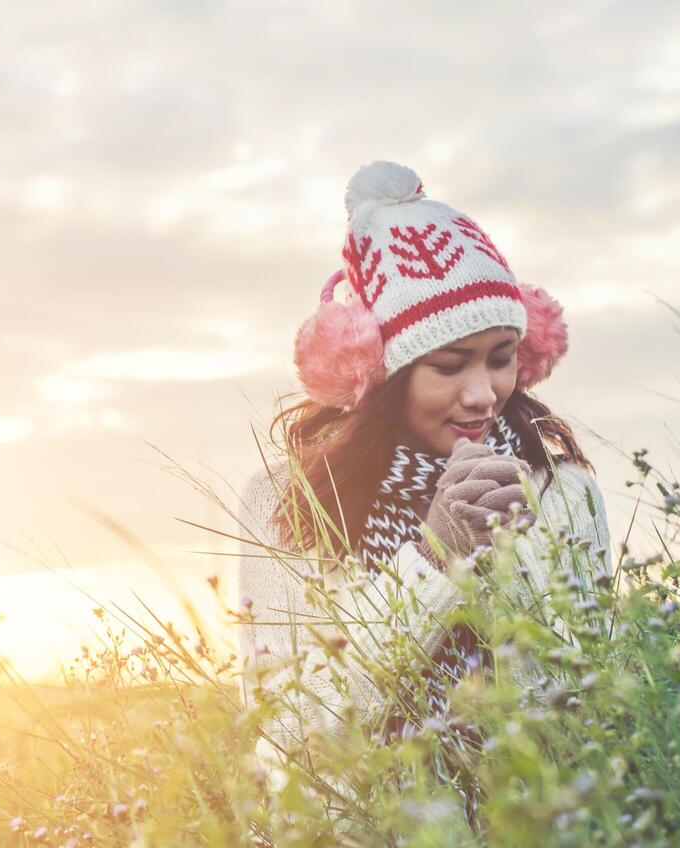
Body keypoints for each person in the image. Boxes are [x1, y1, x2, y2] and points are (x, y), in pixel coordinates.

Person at [235, 161, 615, 800]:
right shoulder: (285, 501)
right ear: (379, 375)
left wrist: (514, 555)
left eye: (501, 360)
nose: (482, 395)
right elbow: (297, 732)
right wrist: (435, 557)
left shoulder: (564, 493)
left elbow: (580, 709)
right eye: (447, 365)